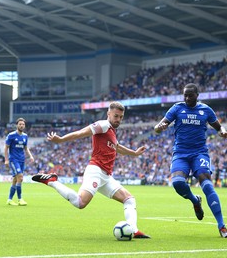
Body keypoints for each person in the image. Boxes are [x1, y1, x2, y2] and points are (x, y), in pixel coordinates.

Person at [32, 101, 150, 239]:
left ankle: (133, 230)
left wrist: (134, 153)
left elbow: (117, 147)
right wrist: (61, 139)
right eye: (116, 116)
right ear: (108, 114)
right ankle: (52, 181)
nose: (118, 119)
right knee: (80, 203)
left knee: (129, 199)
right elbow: (82, 132)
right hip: (95, 171)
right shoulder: (103, 125)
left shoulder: (111, 131)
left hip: (106, 177)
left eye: (121, 117)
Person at [154, 83, 227, 238]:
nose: (187, 98)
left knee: (208, 186)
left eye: (190, 95)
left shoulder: (206, 110)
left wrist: (223, 132)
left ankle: (222, 226)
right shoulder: (177, 108)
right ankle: (195, 201)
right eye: (185, 95)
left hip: (199, 154)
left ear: (197, 95)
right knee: (177, 183)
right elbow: (158, 126)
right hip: (181, 154)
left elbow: (219, 127)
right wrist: (160, 127)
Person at [5, 118, 34, 206]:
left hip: (22, 160)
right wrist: (6, 160)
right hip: (14, 160)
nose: (21, 126)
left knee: (15, 180)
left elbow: (25, 148)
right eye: (20, 124)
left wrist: (31, 156)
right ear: (17, 125)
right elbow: (6, 148)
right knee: (20, 177)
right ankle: (20, 199)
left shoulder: (25, 136)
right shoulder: (11, 135)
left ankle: (9, 199)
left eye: (23, 124)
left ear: (24, 126)